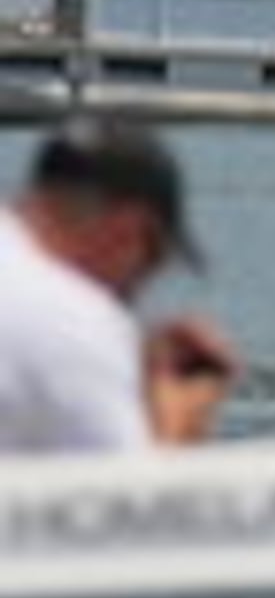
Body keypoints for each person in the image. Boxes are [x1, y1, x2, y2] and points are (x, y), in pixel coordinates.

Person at [0, 117, 238, 454]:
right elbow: (126, 484)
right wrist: (182, 415)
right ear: (127, 233)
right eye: (153, 261)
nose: (137, 293)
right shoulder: (76, 322)